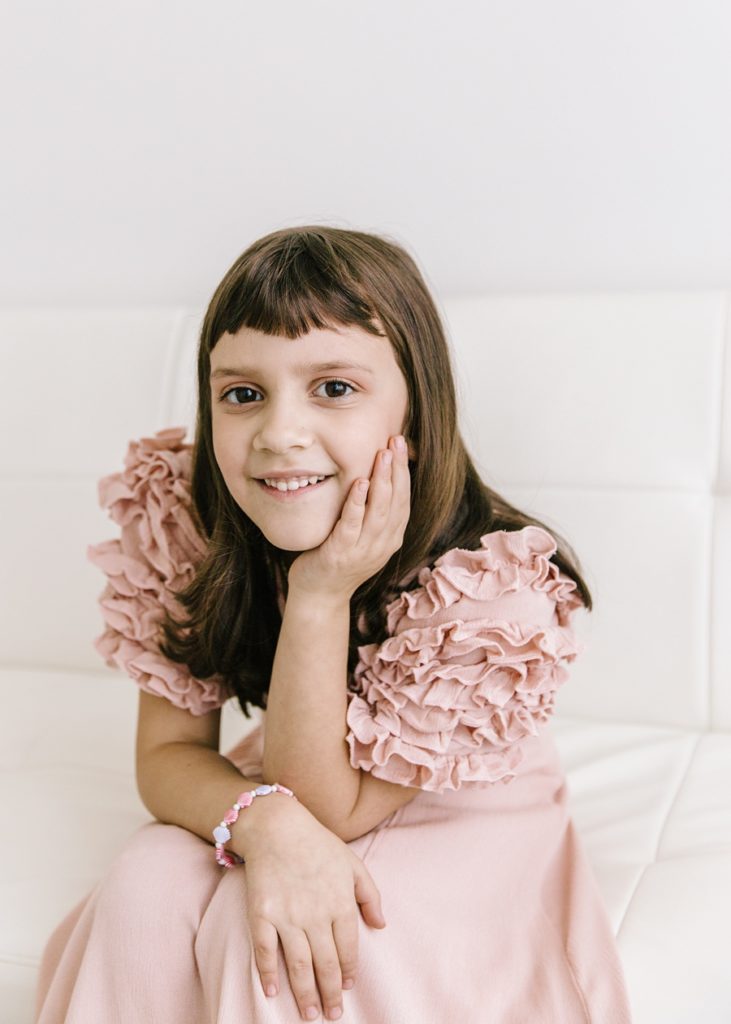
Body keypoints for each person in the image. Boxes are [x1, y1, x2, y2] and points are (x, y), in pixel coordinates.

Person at [34, 225, 632, 1023]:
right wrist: (264, 821)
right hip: (295, 763)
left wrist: (319, 595)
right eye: (242, 394)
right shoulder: (190, 513)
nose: (280, 434)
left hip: (458, 808)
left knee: (281, 945)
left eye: (334, 389)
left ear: (416, 411)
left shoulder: (487, 588)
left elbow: (332, 810)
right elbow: (169, 756)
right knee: (145, 882)